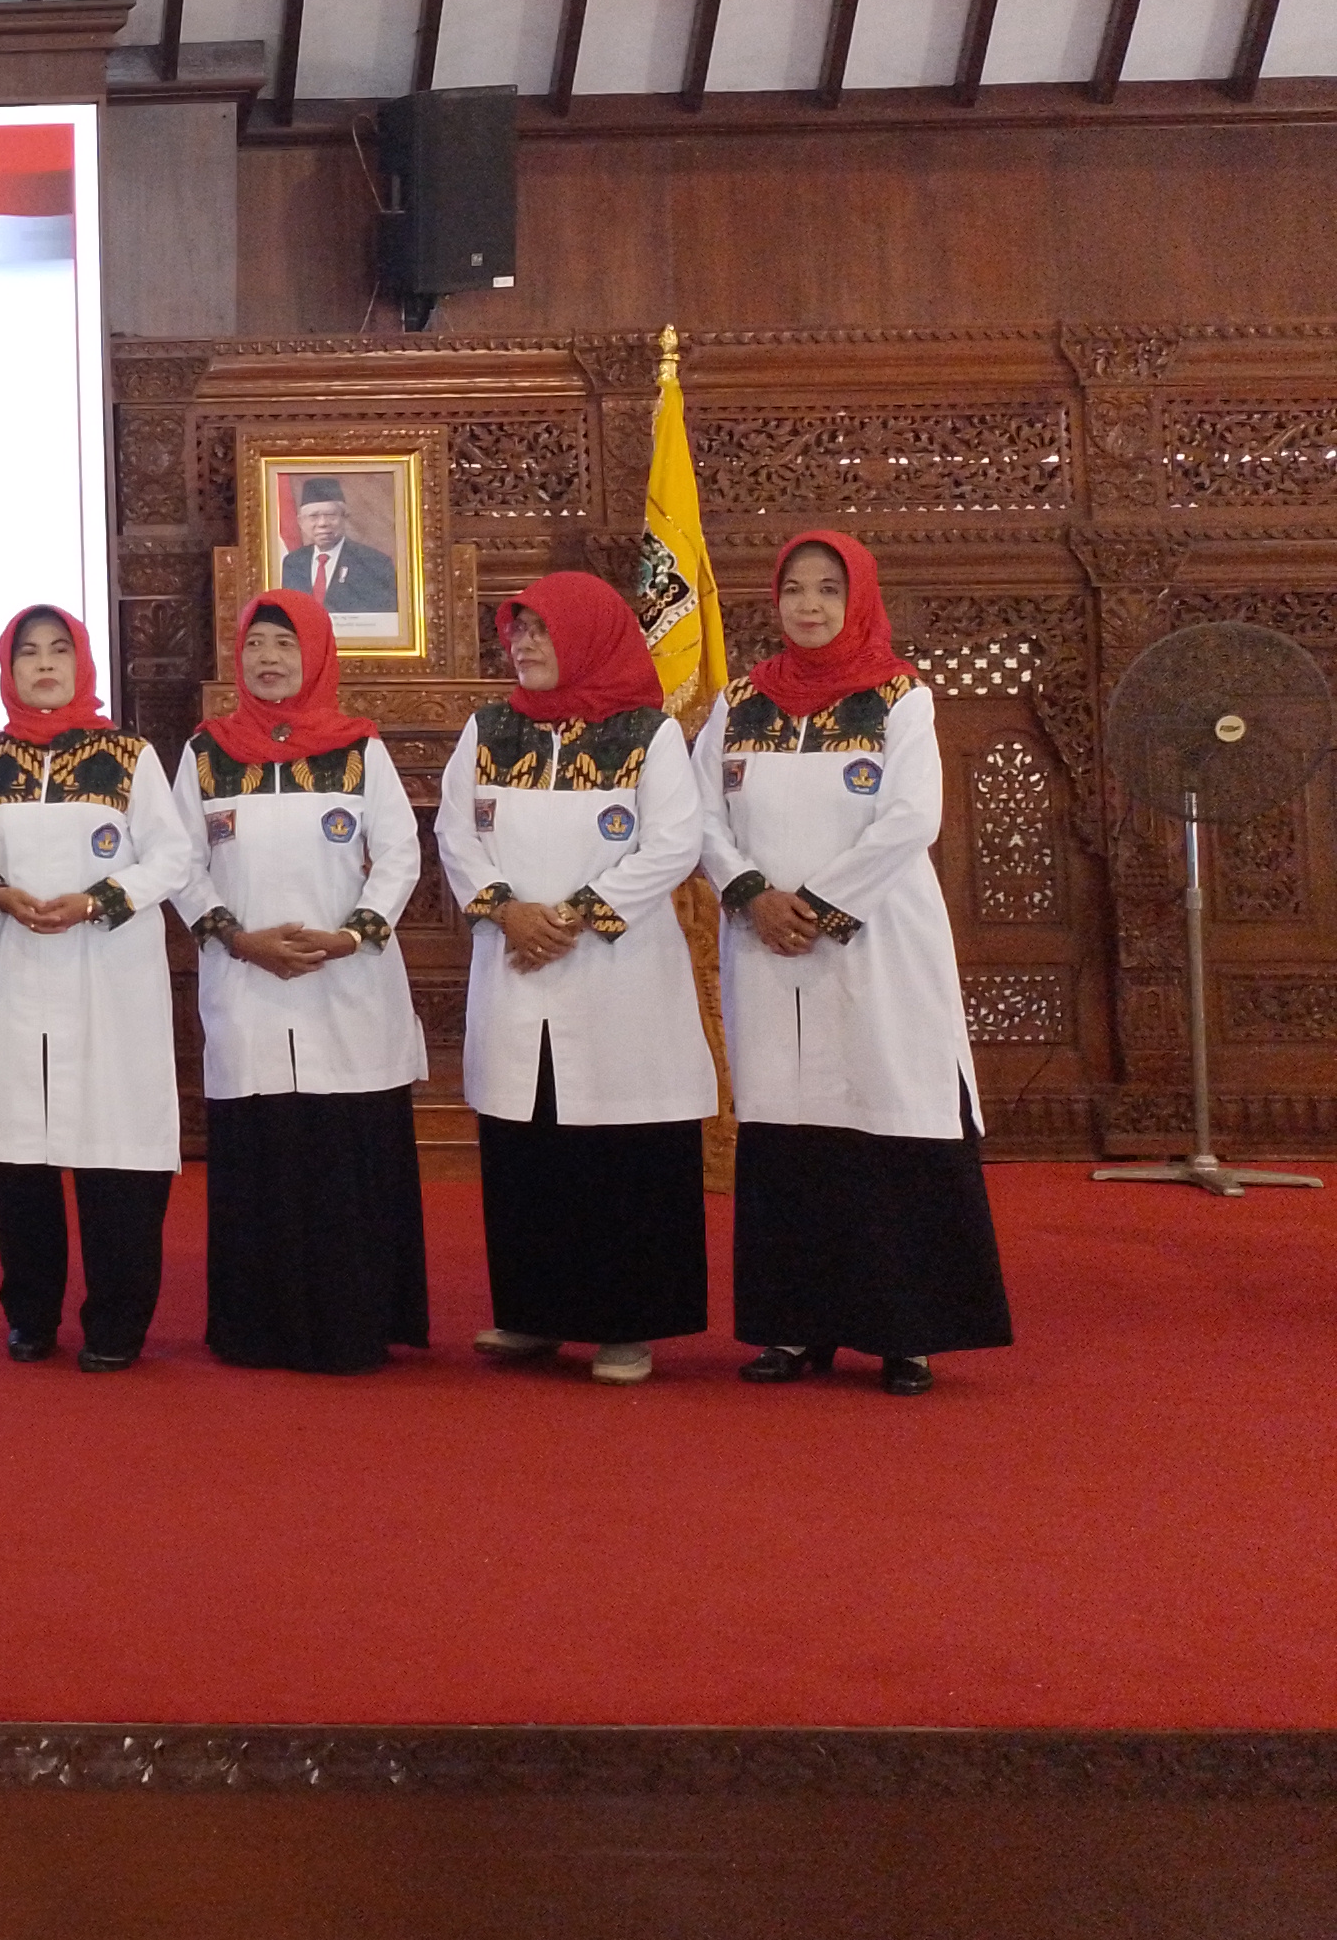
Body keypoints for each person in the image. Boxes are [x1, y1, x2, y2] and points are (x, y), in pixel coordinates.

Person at [698, 530, 1015, 1396]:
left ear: (858, 599)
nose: (808, 605)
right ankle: (794, 1326)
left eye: (828, 590)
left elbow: (911, 818)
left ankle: (904, 1331)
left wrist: (820, 907)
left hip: (877, 943)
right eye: (794, 589)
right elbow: (701, 821)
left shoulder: (900, 698)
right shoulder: (736, 703)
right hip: (768, 949)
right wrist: (756, 895)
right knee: (789, 1126)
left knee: (887, 1114)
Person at [434, 570, 715, 1385]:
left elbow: (672, 842)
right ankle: (534, 1311)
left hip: (615, 972)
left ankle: (627, 1323)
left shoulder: (648, 732)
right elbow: (457, 834)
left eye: (542, 631)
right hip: (516, 962)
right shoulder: (488, 730)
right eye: (517, 633)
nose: (525, 647)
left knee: (622, 1146)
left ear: (588, 634)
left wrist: (573, 916)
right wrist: (505, 910)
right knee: (530, 1139)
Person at [177, 590, 431, 1374]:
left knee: (341, 1156)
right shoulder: (205, 752)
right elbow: (180, 861)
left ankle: (355, 1325)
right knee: (262, 1157)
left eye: (286, 644)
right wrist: (236, 937)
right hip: (246, 981)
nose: (270, 659)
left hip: (342, 984)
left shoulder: (360, 749)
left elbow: (399, 852)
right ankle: (257, 1330)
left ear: (316, 653)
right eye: (256, 645)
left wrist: (354, 934)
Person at [0, 606, 190, 1369]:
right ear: (7, 670)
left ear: (83, 662)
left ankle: (116, 1324)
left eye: (58, 650)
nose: (44, 665)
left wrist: (96, 901)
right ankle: (31, 1316)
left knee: (114, 1149)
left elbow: (171, 857)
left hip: (104, 977)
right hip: (11, 973)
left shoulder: (129, 755)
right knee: (22, 1156)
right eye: (28, 653)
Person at [276, 479, 401, 617]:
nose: (322, 523)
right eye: (314, 516)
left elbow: (385, 619)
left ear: (345, 517)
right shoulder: (293, 563)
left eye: (330, 515)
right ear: (300, 522)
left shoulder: (374, 563)